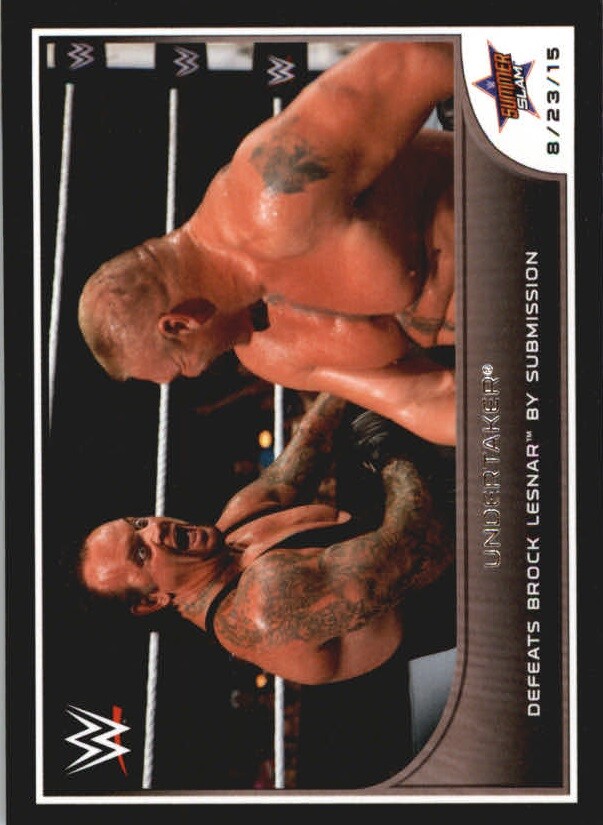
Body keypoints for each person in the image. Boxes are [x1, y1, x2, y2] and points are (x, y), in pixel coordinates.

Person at [77, 41, 456, 446]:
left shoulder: (273, 188)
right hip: (504, 324)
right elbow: (421, 399)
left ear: (180, 323)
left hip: (501, 190)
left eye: (182, 364)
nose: (198, 372)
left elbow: (417, 57)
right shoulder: (270, 355)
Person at [78, 393, 454, 685]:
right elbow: (414, 548)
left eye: (139, 522)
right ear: (153, 600)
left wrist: (356, 372)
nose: (154, 530)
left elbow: (312, 440)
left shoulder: (236, 524)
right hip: (466, 578)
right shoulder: (263, 608)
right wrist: (389, 451)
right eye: (141, 552)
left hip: (430, 505)